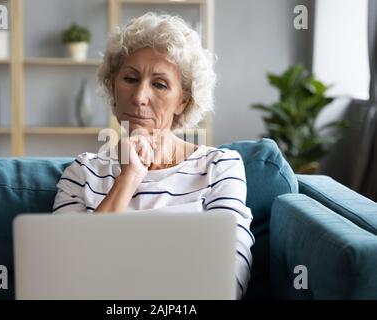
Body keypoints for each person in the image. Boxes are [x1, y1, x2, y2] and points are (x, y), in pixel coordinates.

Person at [53, 12, 254, 299]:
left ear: (182, 100)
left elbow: (227, 282)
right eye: (130, 79)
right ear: (113, 86)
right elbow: (65, 277)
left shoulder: (220, 167)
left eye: (159, 84)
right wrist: (129, 177)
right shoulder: (82, 172)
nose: (139, 97)